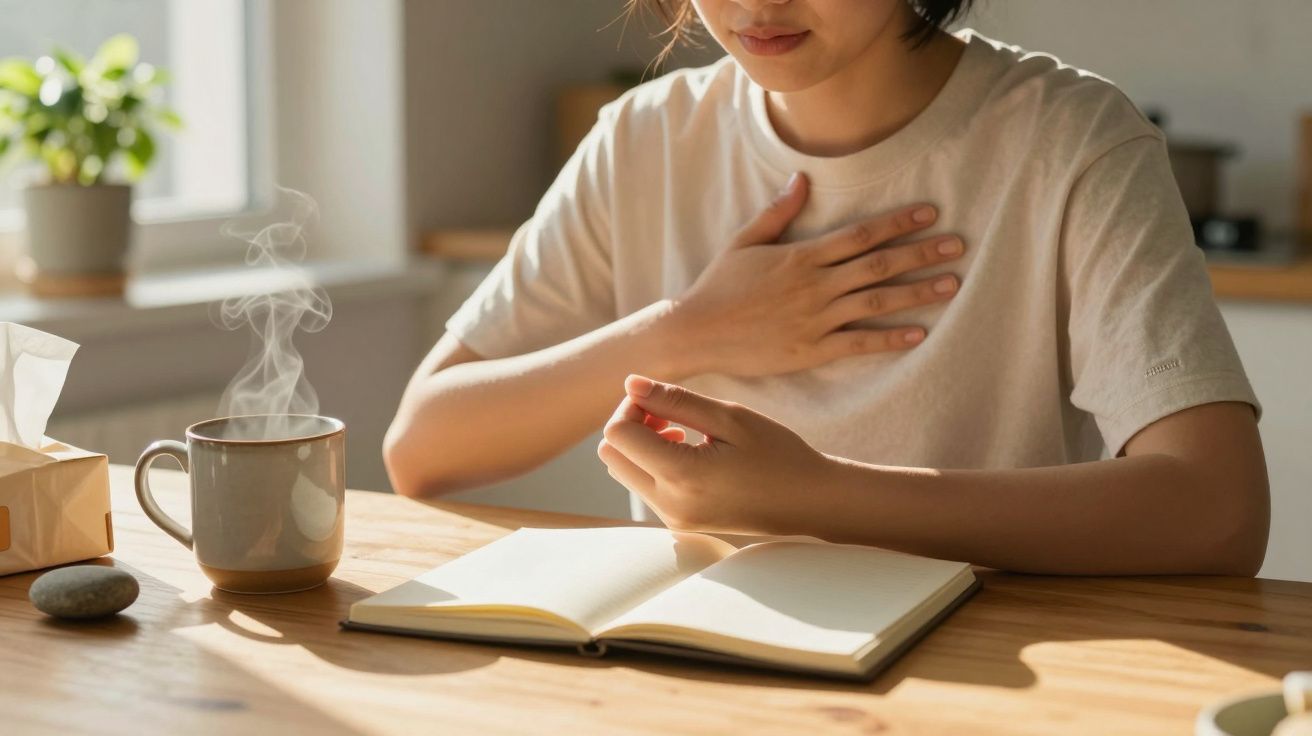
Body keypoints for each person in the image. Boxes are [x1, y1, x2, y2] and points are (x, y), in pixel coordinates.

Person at [384, 0, 1269, 575]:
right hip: (703, 668)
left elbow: (1217, 509)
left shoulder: (1071, 140)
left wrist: (813, 496)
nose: (757, 4)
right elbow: (422, 449)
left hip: (987, 666)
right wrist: (688, 329)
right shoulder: (645, 137)